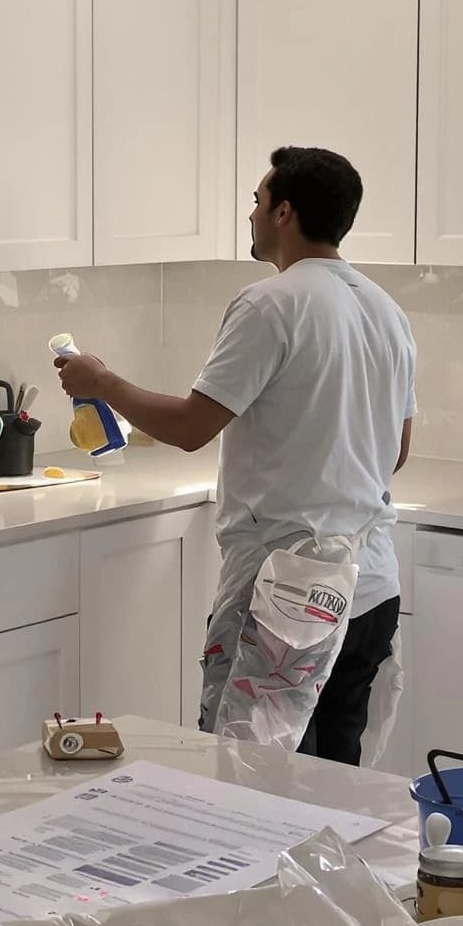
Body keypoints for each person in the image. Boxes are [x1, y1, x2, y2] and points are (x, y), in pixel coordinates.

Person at [53, 146, 416, 763]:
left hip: (289, 594)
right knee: (333, 783)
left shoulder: (270, 303)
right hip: (370, 585)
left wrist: (102, 382)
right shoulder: (385, 310)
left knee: (252, 781)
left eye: (257, 200)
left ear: (284, 213)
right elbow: (396, 451)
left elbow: (194, 426)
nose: (250, 213)